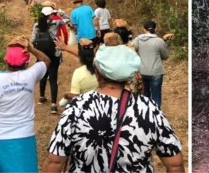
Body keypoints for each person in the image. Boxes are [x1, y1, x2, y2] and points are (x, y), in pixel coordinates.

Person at [42, 44, 184, 172]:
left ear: (97, 73)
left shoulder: (77, 107)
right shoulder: (148, 108)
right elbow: (175, 164)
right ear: (130, 76)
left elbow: (55, 160)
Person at [0, 36, 50, 172]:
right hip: (24, 135)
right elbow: (46, 60)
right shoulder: (31, 75)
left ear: (5, 60)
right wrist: (32, 49)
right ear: (26, 62)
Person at [32, 5, 70, 114]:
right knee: (53, 78)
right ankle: (53, 105)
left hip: (42, 54)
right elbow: (68, 20)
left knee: (43, 75)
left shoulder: (36, 25)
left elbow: (33, 40)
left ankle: (41, 97)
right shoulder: (56, 23)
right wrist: (60, 12)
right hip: (54, 53)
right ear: (51, 15)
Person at [133, 21, 174, 109]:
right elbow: (165, 56)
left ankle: (146, 116)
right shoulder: (159, 41)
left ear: (143, 29)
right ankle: (156, 116)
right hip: (156, 73)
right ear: (156, 29)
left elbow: (133, 52)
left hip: (142, 72)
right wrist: (164, 41)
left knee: (145, 94)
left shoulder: (137, 40)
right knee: (156, 95)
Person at [55, 38, 98, 107]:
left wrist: (66, 95)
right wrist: (66, 48)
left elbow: (75, 95)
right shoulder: (100, 66)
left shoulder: (78, 73)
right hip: (98, 102)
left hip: (85, 106)